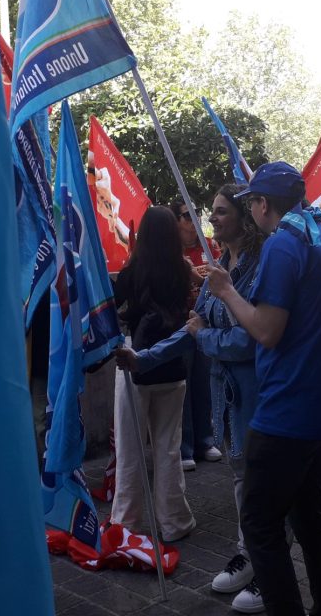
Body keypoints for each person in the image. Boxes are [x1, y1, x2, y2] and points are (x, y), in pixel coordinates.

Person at [208, 161, 321, 616]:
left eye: (251, 202)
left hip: (288, 409)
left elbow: (266, 331)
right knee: (309, 516)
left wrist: (226, 291)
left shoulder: (285, 245)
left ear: (262, 204)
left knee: (259, 524)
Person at [117, 186, 267, 612]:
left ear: (245, 217)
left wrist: (206, 337)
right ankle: (249, 555)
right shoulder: (218, 269)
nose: (211, 220)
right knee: (241, 478)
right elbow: (192, 328)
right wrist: (144, 358)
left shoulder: (262, 269)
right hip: (224, 398)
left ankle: (270, 569)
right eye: (211, 212)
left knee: (265, 483)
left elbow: (251, 339)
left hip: (258, 395)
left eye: (220, 212)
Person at [109, 206, 196, 542]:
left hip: (134, 364)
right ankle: (174, 522)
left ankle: (126, 523)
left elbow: (112, 309)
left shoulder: (131, 272)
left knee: (129, 449)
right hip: (172, 365)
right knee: (168, 448)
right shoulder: (183, 270)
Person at [169, 199, 222, 470]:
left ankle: (206, 440)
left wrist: (198, 277)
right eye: (186, 216)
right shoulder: (169, 253)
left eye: (196, 213)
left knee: (204, 384)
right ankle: (185, 447)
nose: (194, 220)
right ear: (175, 222)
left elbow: (220, 282)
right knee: (184, 388)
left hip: (206, 325)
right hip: (180, 326)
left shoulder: (210, 246)